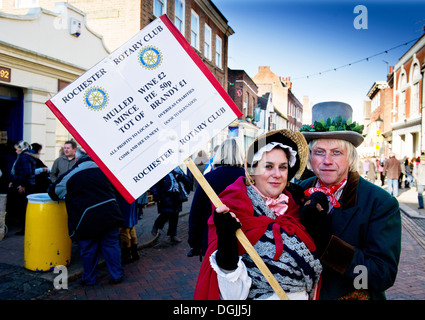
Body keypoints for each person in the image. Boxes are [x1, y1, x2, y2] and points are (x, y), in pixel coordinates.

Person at [194, 129, 322, 300]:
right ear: (252, 170)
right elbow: (229, 293)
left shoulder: (297, 206)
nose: (277, 174)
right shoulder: (233, 205)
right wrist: (227, 246)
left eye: (282, 167)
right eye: (268, 166)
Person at [298, 101, 401, 300]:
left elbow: (382, 274)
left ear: (351, 158)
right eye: (320, 152)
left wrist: (328, 245)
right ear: (310, 157)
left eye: (337, 152)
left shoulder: (380, 202)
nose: (327, 160)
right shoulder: (298, 192)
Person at [48, 151, 124, 285]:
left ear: (77, 159)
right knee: (111, 245)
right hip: (110, 214)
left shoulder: (70, 175)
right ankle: (117, 274)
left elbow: (54, 193)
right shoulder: (107, 170)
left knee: (88, 249)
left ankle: (89, 279)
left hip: (85, 218)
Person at [187, 138, 245, 258]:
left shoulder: (208, 178)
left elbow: (196, 212)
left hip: (212, 237)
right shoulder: (248, 178)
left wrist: (194, 242)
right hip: (244, 237)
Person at [151, 166, 191, 243]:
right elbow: (154, 184)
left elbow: (187, 180)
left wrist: (180, 177)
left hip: (177, 196)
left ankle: (173, 235)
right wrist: (156, 195)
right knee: (166, 213)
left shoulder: (177, 169)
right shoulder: (160, 170)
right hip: (165, 196)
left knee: (175, 216)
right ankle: (157, 225)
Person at [6, 141, 36, 234]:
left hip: (25, 186)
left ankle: (25, 229)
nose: (16, 151)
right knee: (24, 207)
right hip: (25, 184)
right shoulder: (27, 156)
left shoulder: (24, 158)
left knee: (24, 207)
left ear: (22, 149)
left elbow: (26, 173)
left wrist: (22, 185)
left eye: (17, 149)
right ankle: (24, 228)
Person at [116, 193, 139, 264]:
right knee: (131, 230)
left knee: (124, 232)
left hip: (124, 206)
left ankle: (126, 255)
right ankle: (134, 253)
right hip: (131, 204)